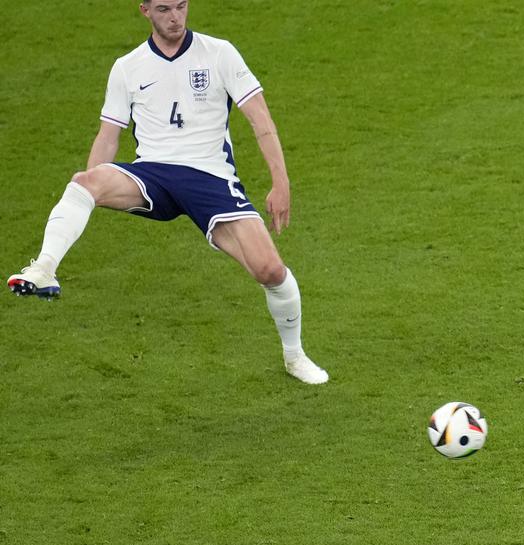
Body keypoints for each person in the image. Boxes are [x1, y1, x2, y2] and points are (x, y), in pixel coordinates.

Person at [7, 0, 328, 385]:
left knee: (270, 270)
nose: (175, 17)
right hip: (153, 175)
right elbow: (109, 135)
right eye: (163, 9)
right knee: (83, 181)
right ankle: (43, 269)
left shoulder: (219, 53)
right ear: (144, 11)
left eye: (180, 6)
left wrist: (281, 182)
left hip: (209, 178)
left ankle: (294, 357)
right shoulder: (127, 67)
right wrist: (92, 192)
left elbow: (260, 118)